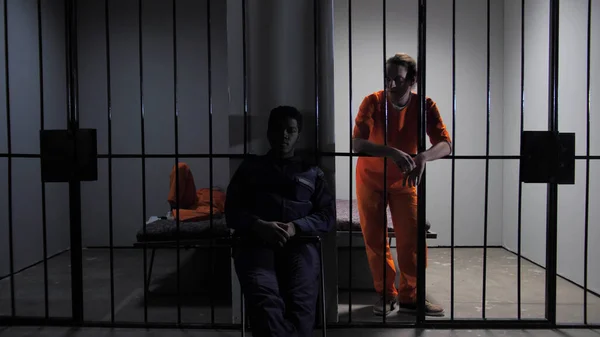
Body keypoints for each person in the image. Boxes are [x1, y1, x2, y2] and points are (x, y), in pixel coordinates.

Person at [352, 53, 452, 317]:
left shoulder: (425, 105)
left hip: (405, 180)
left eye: (398, 78)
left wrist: (423, 157)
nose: (392, 84)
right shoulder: (372, 102)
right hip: (370, 179)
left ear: (413, 80)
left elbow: (446, 145)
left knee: (412, 239)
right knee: (375, 239)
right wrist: (392, 152)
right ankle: (386, 295)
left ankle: (411, 297)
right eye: (388, 78)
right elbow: (357, 144)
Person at [225, 105, 335, 337]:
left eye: (290, 130)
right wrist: (258, 225)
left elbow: (327, 216)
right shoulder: (250, 168)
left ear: (298, 134)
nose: (284, 135)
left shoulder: (312, 171)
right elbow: (232, 211)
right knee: (264, 301)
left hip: (301, 243)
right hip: (255, 243)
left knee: (303, 305)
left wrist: (296, 227)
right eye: (278, 129)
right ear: (268, 132)